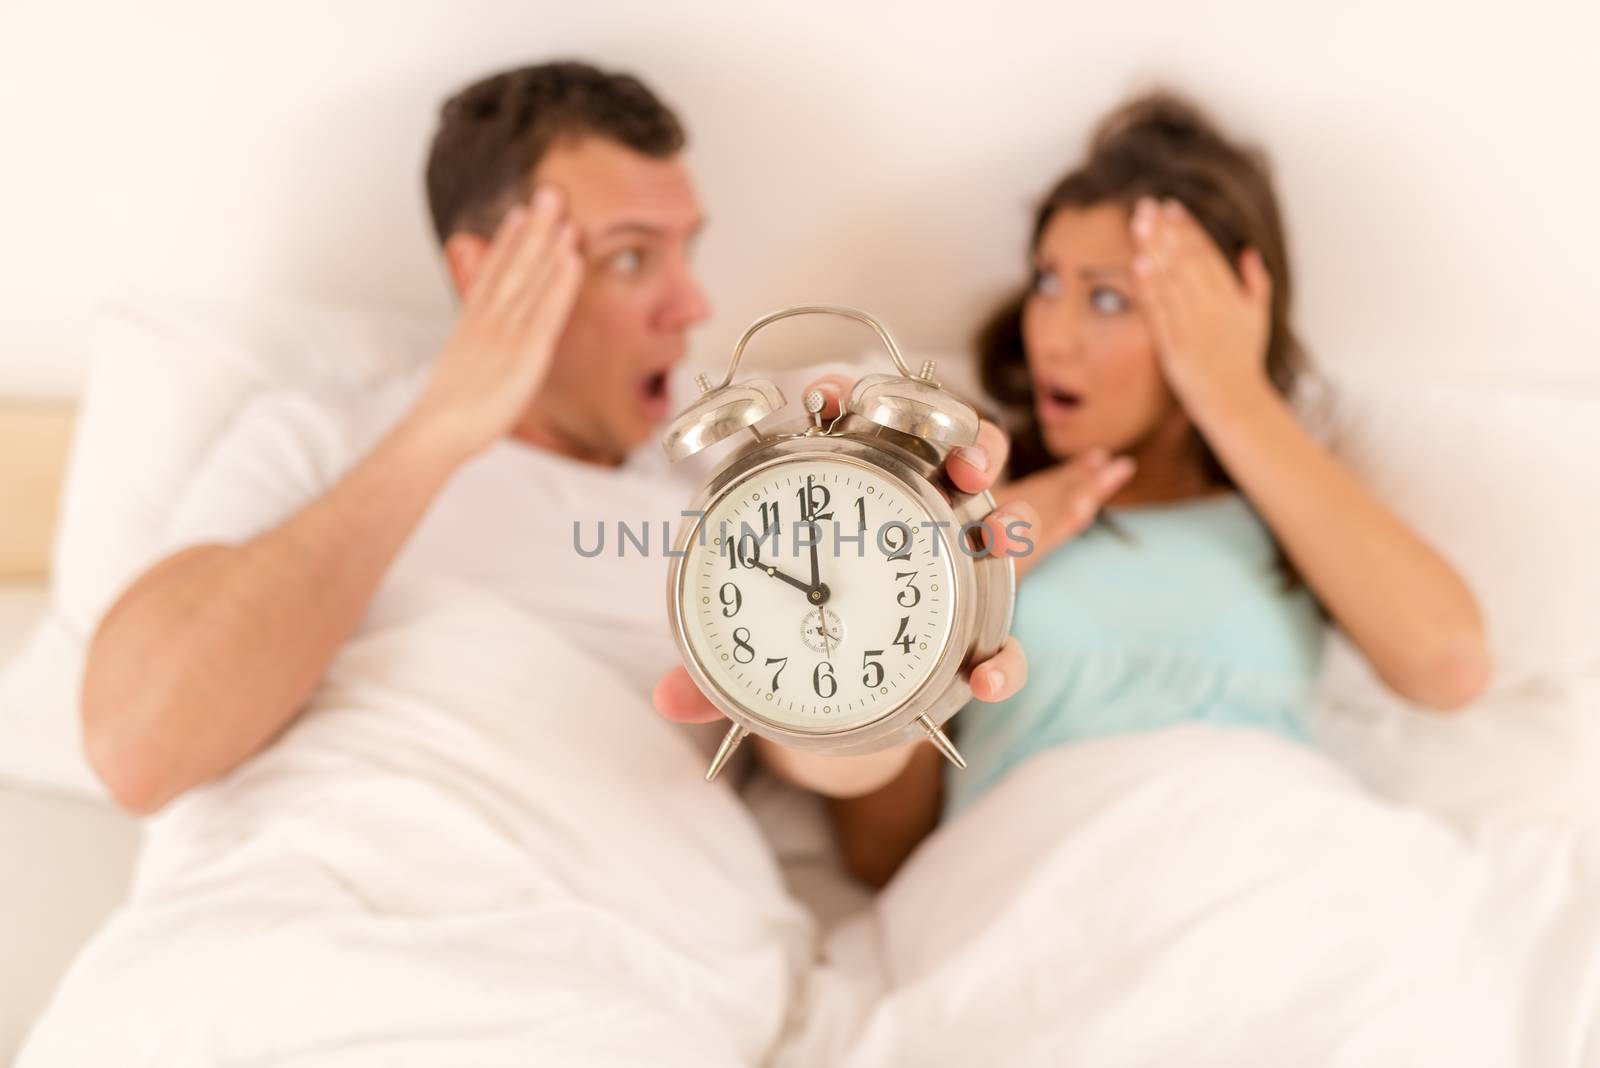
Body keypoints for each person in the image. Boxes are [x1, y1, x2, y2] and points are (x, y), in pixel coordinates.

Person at [22, 61, 1121, 1066]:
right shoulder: (319, 438)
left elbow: (869, 830)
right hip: (268, 954)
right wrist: (448, 423)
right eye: (631, 259)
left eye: (687, 252)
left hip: (604, 974)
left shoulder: (725, 495)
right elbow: (140, 744)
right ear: (483, 271)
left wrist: (892, 670)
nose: (690, 305)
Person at [829, 90, 1493, 888]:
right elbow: (877, 852)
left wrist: (1233, 393)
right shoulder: (976, 490)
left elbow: (1450, 666)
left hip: (1289, 874)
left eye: (1109, 297)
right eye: (1047, 282)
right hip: (1045, 890)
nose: (1052, 333)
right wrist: (969, 575)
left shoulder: (1288, 508)